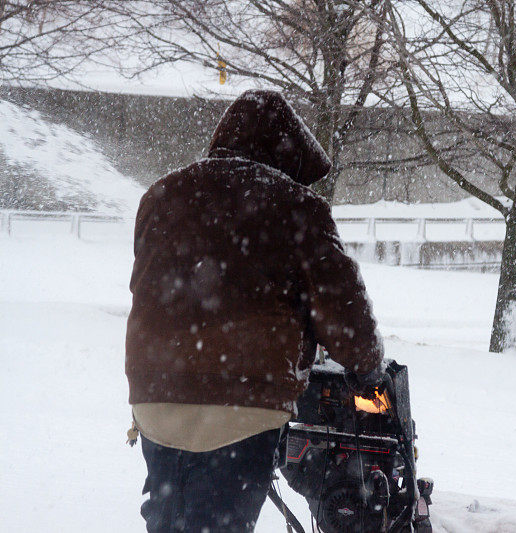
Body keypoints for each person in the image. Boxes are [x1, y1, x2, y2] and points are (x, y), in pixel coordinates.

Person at [125, 90, 384, 532]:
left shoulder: (161, 195)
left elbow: (145, 286)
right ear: (288, 154)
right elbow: (343, 307)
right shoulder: (298, 207)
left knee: (169, 521)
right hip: (243, 406)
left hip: (157, 396)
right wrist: (367, 365)